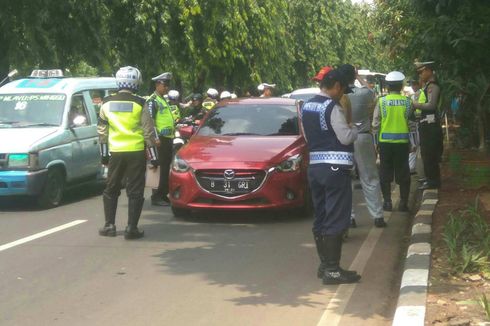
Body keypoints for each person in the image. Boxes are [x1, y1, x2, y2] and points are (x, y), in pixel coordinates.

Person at [301, 67, 361, 285]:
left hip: (315, 167)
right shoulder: (332, 107)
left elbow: (308, 136)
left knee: (322, 215)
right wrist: (354, 129)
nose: (343, 94)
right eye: (343, 89)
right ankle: (333, 270)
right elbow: (345, 138)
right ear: (336, 86)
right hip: (335, 169)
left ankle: (324, 264)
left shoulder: (307, 106)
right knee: (336, 216)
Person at [97, 66, 159, 239]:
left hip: (115, 152)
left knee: (111, 188)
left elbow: (102, 132)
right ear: (136, 82)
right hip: (136, 152)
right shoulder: (140, 103)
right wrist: (154, 157)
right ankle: (131, 229)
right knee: (135, 191)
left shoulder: (106, 102)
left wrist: (104, 156)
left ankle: (109, 225)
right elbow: (148, 132)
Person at [339, 64, 386, 228]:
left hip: (344, 139)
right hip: (363, 137)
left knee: (346, 179)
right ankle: (378, 215)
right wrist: (359, 77)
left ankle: (349, 217)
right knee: (370, 176)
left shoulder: (338, 97)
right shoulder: (364, 93)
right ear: (354, 76)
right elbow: (372, 92)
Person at [372, 71, 414, 212]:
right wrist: (413, 143)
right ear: (401, 86)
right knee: (404, 172)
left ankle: (388, 202)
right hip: (402, 142)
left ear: (388, 86)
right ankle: (403, 203)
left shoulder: (382, 101)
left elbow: (375, 124)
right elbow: (411, 124)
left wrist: (375, 142)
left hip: (385, 143)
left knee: (385, 172)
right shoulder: (407, 102)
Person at [412, 61, 443, 190]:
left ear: (429, 71)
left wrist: (415, 104)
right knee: (426, 154)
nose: (420, 75)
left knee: (430, 154)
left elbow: (431, 105)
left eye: (422, 72)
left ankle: (433, 182)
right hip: (426, 124)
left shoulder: (433, 86)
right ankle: (431, 180)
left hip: (431, 125)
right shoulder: (427, 86)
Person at [147, 72, 175, 206]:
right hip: (159, 140)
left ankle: (163, 194)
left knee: (165, 168)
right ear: (157, 84)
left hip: (168, 138)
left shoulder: (164, 99)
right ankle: (156, 196)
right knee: (158, 167)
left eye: (168, 85)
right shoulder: (152, 100)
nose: (167, 88)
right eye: (165, 85)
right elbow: (150, 121)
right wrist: (155, 138)